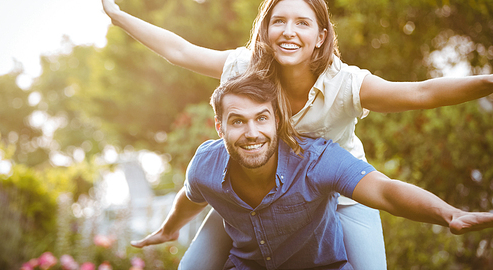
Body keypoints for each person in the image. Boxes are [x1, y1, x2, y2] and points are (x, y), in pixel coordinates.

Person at [96, 0, 493, 269]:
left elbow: (422, 93)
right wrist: (117, 17)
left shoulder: (347, 84)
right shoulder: (244, 67)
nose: (289, 32)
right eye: (279, 21)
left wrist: (487, 82)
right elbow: (180, 50)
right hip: (259, 191)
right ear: (265, 30)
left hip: (341, 192)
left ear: (321, 36)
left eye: (302, 23)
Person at [130, 73, 493, 270]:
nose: (252, 132)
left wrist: (449, 213)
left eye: (262, 118)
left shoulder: (317, 160)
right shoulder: (206, 164)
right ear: (219, 127)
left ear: (278, 121)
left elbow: (385, 191)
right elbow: (190, 197)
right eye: (238, 121)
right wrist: (168, 229)